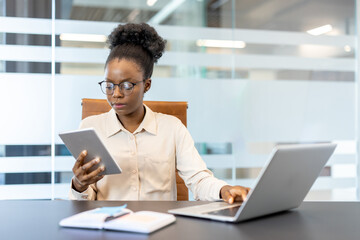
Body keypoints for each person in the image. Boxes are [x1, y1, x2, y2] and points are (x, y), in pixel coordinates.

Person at [69, 22, 250, 203]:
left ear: (146, 85)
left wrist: (223, 189)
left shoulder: (171, 128)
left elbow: (198, 179)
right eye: (109, 85)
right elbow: (84, 202)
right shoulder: (90, 128)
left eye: (126, 85)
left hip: (160, 226)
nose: (116, 94)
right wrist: (79, 185)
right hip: (108, 226)